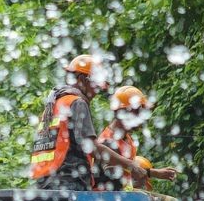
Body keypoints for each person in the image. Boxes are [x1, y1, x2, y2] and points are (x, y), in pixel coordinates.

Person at [31, 55, 147, 191]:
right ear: (81, 79)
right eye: (95, 86)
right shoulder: (76, 102)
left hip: (44, 184)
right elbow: (91, 147)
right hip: (68, 183)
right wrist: (130, 164)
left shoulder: (54, 104)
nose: (96, 92)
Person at [92, 86, 178, 191]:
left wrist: (154, 173)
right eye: (138, 112)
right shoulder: (109, 143)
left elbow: (129, 169)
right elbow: (115, 186)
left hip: (120, 196)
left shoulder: (126, 138)